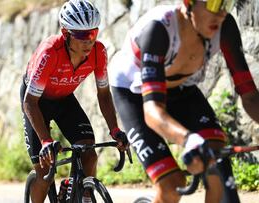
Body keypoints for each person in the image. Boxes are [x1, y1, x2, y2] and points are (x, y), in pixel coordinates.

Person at [108, 0, 256, 203]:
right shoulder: (158, 29)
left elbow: (249, 95)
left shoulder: (225, 26)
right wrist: (189, 140)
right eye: (214, 4)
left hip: (181, 88)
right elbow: (153, 112)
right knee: (172, 185)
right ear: (189, 3)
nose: (221, 13)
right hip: (135, 94)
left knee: (217, 162)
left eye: (227, 4)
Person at [20, 0, 128, 202]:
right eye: (82, 35)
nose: (89, 41)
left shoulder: (99, 52)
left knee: (88, 152)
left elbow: (104, 94)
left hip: (64, 100)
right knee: (45, 172)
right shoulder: (50, 53)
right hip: (36, 102)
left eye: (93, 34)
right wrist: (46, 141)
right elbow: (30, 102)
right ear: (65, 33)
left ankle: (75, 194)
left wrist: (115, 130)